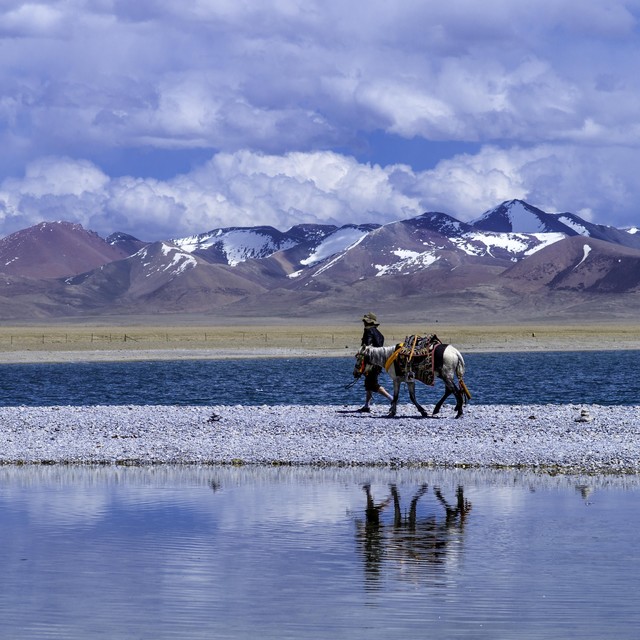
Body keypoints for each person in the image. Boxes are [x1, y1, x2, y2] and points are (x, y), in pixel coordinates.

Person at [358, 312, 393, 412]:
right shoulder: (379, 334)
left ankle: (392, 399)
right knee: (368, 382)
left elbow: (367, 346)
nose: (364, 323)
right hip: (378, 361)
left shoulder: (368, 331)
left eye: (365, 321)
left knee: (372, 384)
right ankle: (366, 405)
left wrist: (362, 356)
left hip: (370, 361)